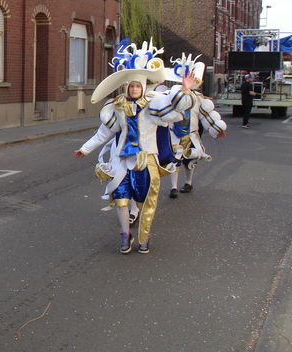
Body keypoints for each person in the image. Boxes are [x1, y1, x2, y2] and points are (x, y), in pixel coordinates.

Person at [74, 39, 194, 254]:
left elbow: (175, 109)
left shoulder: (153, 105)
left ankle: (144, 236)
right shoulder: (117, 107)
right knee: (120, 199)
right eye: (132, 86)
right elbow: (104, 133)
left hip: (146, 160)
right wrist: (85, 149)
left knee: (144, 200)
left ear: (143, 86)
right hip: (121, 161)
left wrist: (184, 90)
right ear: (126, 87)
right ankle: (124, 234)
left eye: (138, 85)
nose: (135, 89)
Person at [159, 54, 227, 198]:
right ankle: (173, 187)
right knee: (174, 159)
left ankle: (188, 182)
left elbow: (207, 115)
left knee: (189, 159)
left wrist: (217, 128)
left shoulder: (198, 98)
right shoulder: (170, 96)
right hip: (173, 134)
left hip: (191, 134)